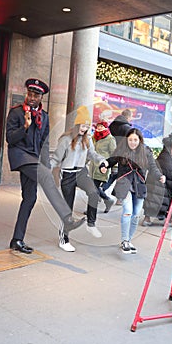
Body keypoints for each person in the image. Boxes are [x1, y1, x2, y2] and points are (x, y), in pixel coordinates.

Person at [6, 78, 85, 254]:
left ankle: (16, 240)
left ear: (41, 97)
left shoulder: (44, 116)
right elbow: (10, 139)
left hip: (34, 159)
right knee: (45, 179)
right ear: (27, 93)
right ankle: (67, 219)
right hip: (21, 157)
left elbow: (44, 144)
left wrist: (47, 165)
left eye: (36, 95)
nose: (32, 97)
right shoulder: (16, 113)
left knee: (30, 198)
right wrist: (25, 127)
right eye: (30, 94)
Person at [50, 106, 108, 252]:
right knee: (67, 208)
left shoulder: (87, 139)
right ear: (77, 125)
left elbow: (93, 154)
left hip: (81, 172)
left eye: (87, 126)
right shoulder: (66, 139)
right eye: (83, 126)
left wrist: (102, 161)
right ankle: (64, 239)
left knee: (94, 193)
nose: (85, 129)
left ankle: (91, 224)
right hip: (68, 174)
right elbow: (56, 158)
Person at [100, 128, 166, 254]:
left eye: (135, 140)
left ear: (140, 140)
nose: (133, 142)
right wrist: (104, 166)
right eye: (130, 140)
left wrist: (160, 176)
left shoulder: (146, 151)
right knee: (128, 211)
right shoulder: (121, 150)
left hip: (139, 185)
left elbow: (153, 167)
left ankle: (128, 240)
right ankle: (125, 240)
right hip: (124, 185)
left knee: (136, 214)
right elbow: (110, 160)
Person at [142, 131, 172, 226]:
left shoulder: (168, 142)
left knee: (153, 192)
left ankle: (148, 217)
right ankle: (169, 217)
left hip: (159, 165)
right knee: (171, 192)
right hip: (171, 168)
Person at [103, 108, 133, 205]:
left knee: (112, 174)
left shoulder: (112, 125)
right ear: (128, 117)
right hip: (123, 154)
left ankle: (101, 189)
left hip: (111, 152)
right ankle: (119, 198)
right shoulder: (127, 128)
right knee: (123, 175)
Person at [89, 121, 116, 213]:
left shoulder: (110, 139)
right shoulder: (94, 138)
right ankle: (108, 200)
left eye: (101, 126)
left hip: (103, 168)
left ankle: (91, 210)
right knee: (93, 188)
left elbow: (114, 155)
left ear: (105, 127)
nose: (99, 127)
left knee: (93, 189)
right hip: (92, 167)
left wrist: (113, 168)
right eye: (98, 126)